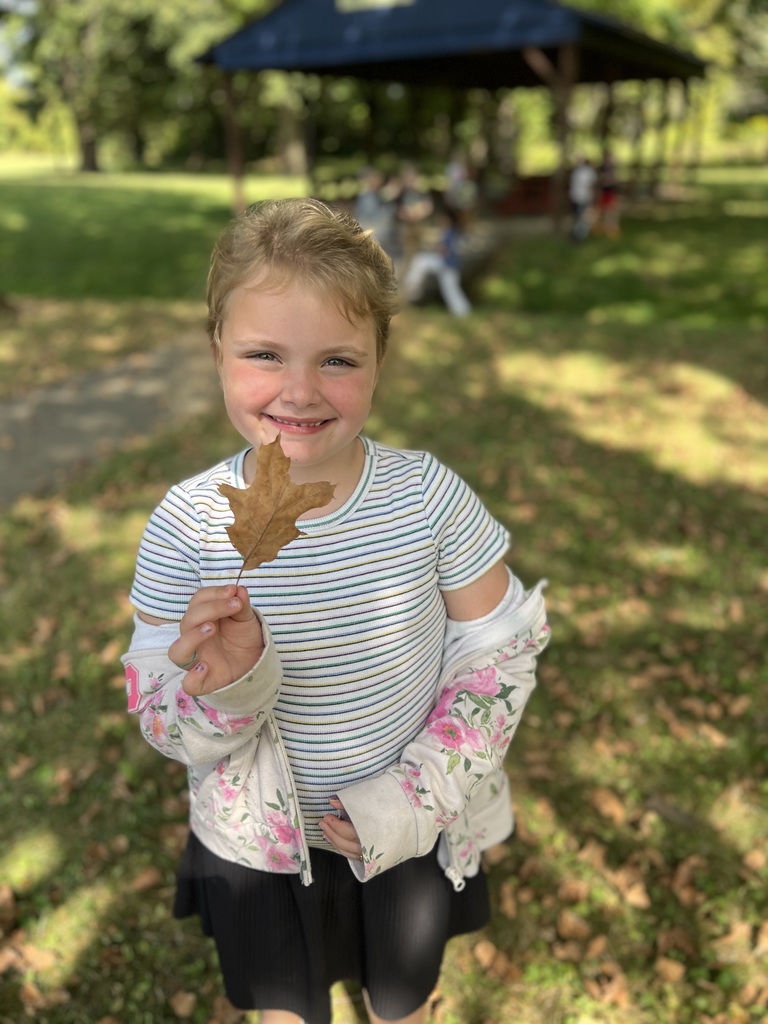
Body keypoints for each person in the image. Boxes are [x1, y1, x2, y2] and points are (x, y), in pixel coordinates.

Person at [121, 197, 550, 1024]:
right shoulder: (185, 524)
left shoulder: (427, 499)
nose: (300, 390)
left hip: (404, 834)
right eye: (264, 354)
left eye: (340, 361)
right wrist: (229, 686)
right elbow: (160, 720)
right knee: (283, 1010)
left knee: (402, 1002)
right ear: (217, 351)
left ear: (381, 360)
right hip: (259, 850)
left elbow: (501, 658)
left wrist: (419, 797)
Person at [402, 206, 473, 317]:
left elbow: (445, 249)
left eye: (443, 217)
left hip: (447, 264)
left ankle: (412, 290)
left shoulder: (451, 232)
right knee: (450, 289)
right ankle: (463, 312)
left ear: (448, 219)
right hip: (448, 264)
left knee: (421, 261)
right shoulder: (453, 231)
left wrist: (438, 247)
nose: (441, 219)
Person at [568, 156, 597, 242]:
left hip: (579, 197)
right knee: (582, 217)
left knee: (580, 216)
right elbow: (592, 185)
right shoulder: (587, 171)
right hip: (582, 197)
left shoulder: (578, 171)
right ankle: (579, 235)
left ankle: (579, 234)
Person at [594, 149, 621, 239]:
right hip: (603, 191)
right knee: (602, 211)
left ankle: (611, 229)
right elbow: (600, 180)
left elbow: (614, 180)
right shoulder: (601, 168)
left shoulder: (612, 167)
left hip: (611, 191)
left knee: (611, 211)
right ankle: (601, 228)